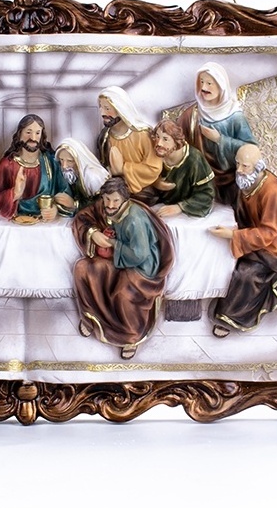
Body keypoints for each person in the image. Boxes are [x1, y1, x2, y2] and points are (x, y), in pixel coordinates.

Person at [72, 177, 174, 360]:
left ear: (125, 200)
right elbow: (82, 217)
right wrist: (93, 233)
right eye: (107, 199)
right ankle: (91, 318)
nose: (110, 205)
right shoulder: (104, 207)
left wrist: (112, 243)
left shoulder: (135, 219)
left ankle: (130, 336)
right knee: (83, 269)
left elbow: (139, 254)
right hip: (116, 259)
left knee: (123, 293)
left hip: (141, 269)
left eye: (115, 200)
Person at [208, 144, 277, 337]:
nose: (239, 170)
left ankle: (231, 318)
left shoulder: (272, 191)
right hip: (251, 231)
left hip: (273, 246)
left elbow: (269, 232)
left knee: (245, 274)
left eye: (245, 166)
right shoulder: (245, 179)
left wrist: (233, 235)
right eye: (238, 164)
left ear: (258, 166)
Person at [176, 62, 257, 204]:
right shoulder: (191, 114)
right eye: (201, 82)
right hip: (199, 179)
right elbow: (178, 143)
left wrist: (220, 139)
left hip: (230, 180)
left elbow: (251, 149)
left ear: (221, 86)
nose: (203, 87)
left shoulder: (235, 117)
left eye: (209, 83)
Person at [0, 114, 71, 220]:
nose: (33, 138)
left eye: (37, 133)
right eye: (28, 132)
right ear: (20, 134)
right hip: (15, 221)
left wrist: (55, 208)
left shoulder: (51, 161)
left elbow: (65, 193)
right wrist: (14, 193)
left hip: (45, 221)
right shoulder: (8, 164)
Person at [97, 86, 162, 201]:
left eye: (107, 108)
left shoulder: (143, 134)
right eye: (100, 107)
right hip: (117, 191)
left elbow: (154, 168)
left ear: (120, 108)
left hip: (143, 190)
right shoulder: (105, 136)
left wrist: (123, 168)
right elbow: (105, 165)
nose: (102, 113)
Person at [151, 119, 215, 218]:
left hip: (187, 212)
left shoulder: (194, 159)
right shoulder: (155, 153)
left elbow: (206, 194)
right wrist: (155, 182)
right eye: (157, 136)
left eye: (165, 139)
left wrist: (180, 207)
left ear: (176, 141)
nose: (159, 143)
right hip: (159, 206)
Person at [54, 138, 110, 213]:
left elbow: (102, 204)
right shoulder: (71, 173)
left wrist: (75, 204)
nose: (64, 166)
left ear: (79, 160)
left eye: (70, 161)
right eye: (61, 160)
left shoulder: (92, 176)